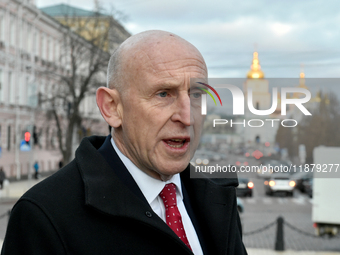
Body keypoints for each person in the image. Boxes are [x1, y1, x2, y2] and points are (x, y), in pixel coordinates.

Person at [1, 30, 247, 254]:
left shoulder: (218, 199)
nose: (187, 116)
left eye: (196, 95)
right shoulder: (45, 215)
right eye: (163, 94)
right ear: (112, 108)